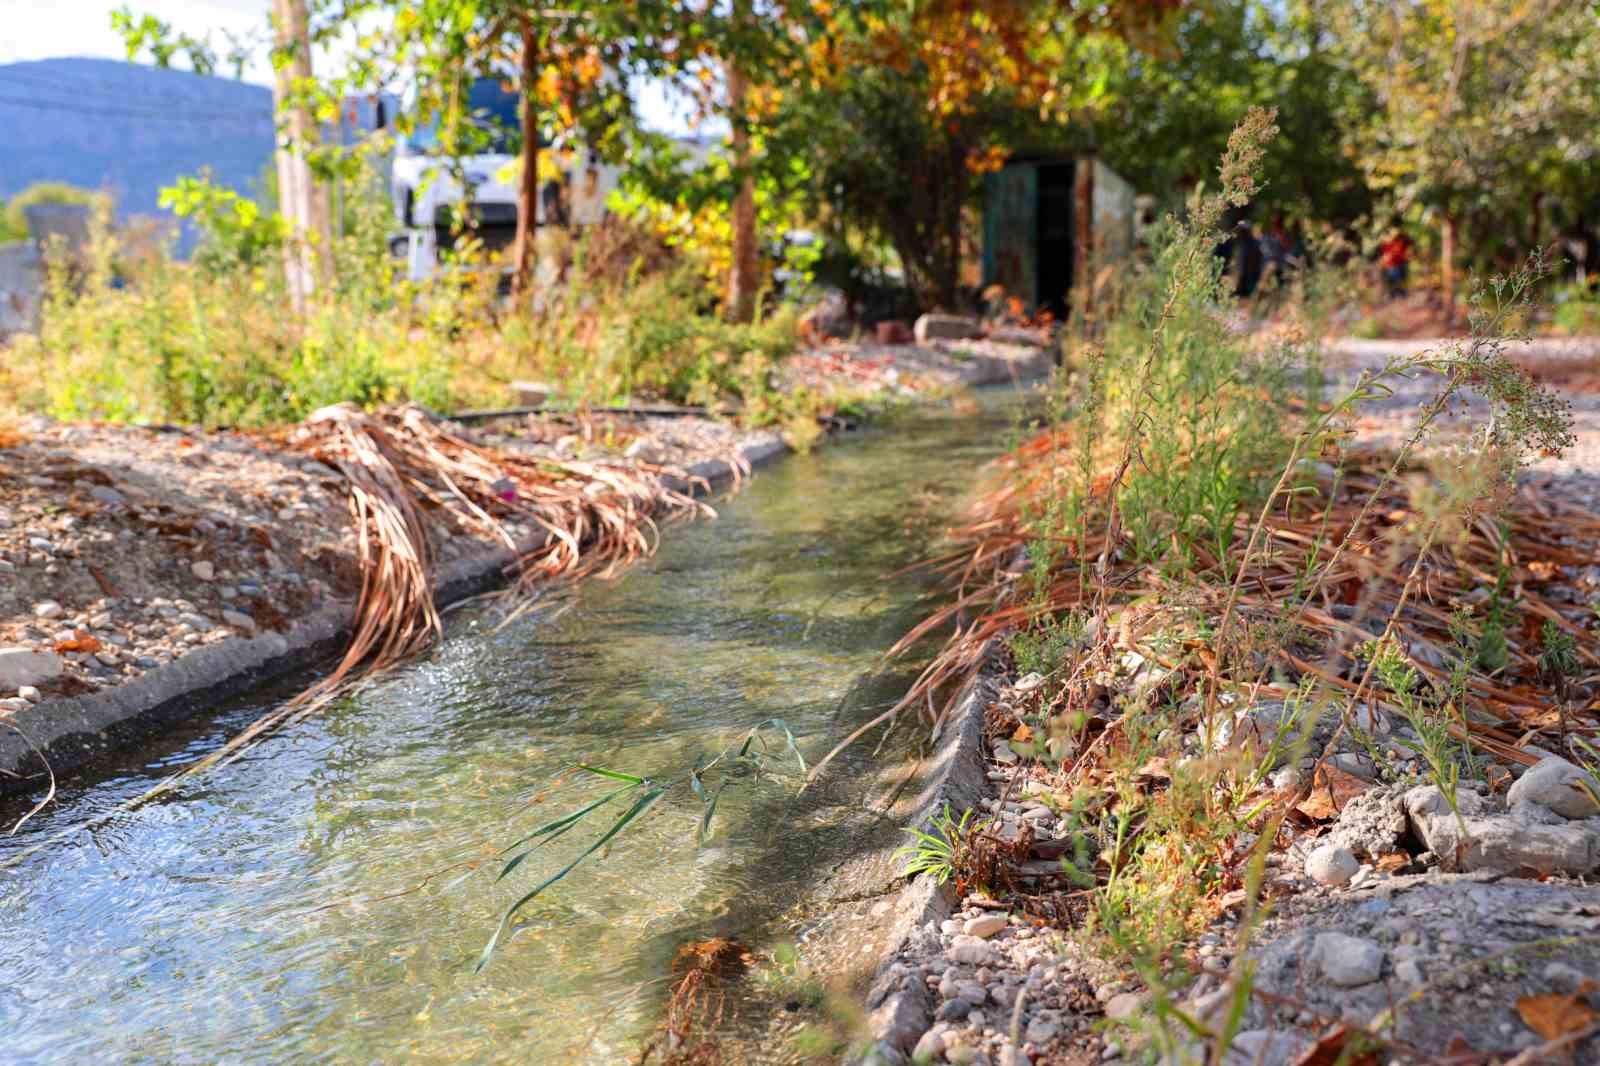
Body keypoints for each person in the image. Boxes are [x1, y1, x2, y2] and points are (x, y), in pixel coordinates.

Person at [1378, 227, 1413, 299]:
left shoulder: (1402, 240)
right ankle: (1395, 293)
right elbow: (1383, 254)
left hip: (1401, 262)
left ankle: (1402, 293)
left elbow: (1410, 242)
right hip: (1391, 264)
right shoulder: (1385, 243)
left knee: (1402, 278)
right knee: (1395, 278)